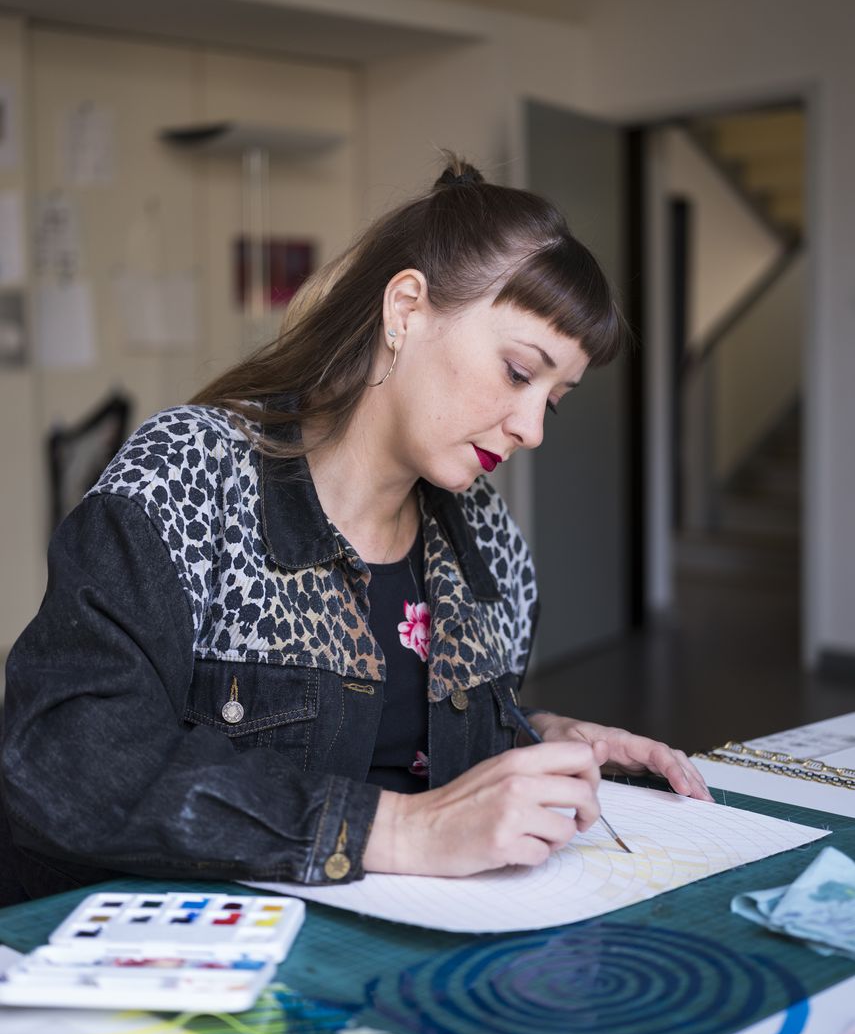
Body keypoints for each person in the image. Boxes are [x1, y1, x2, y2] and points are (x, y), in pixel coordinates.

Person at [1, 155, 711, 901]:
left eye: (553, 401)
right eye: (517, 372)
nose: (531, 429)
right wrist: (403, 831)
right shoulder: (190, 473)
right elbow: (66, 764)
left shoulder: (488, 539)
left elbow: (398, 741)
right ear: (405, 310)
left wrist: (535, 734)